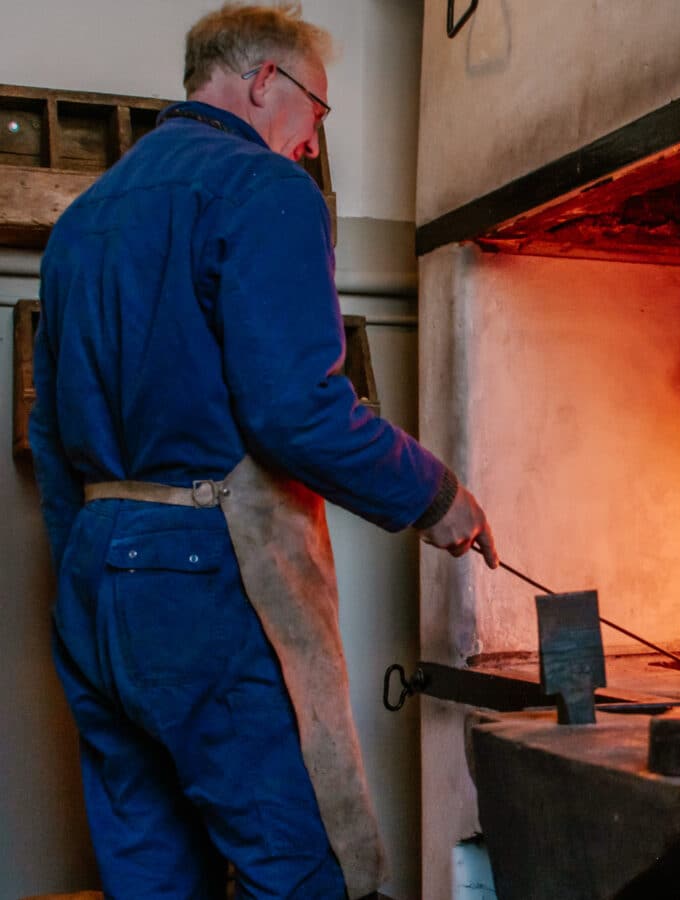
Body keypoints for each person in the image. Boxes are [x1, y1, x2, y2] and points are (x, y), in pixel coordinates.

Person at [29, 4, 496, 897]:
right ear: (263, 82)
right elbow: (296, 411)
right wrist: (438, 499)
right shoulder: (264, 188)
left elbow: (54, 443)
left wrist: (91, 559)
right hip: (206, 580)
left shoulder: (83, 220)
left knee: (153, 870)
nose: (314, 144)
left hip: (92, 578)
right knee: (300, 868)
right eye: (317, 113)